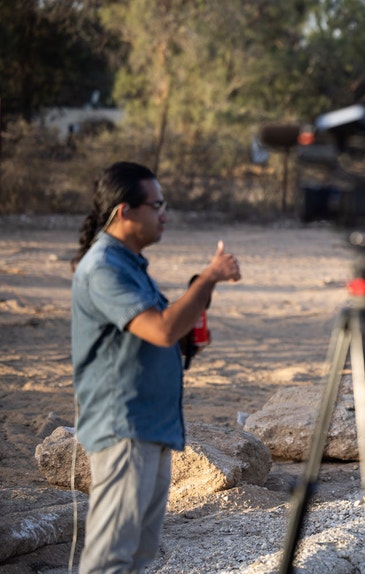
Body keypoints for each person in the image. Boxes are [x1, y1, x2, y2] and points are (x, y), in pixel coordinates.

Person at [70, 161, 241, 572]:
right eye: (157, 204)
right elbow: (161, 330)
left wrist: (191, 330)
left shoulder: (131, 265)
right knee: (110, 558)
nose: (164, 214)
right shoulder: (103, 268)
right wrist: (209, 279)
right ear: (124, 212)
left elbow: (164, 338)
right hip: (123, 430)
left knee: (140, 556)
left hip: (151, 428)